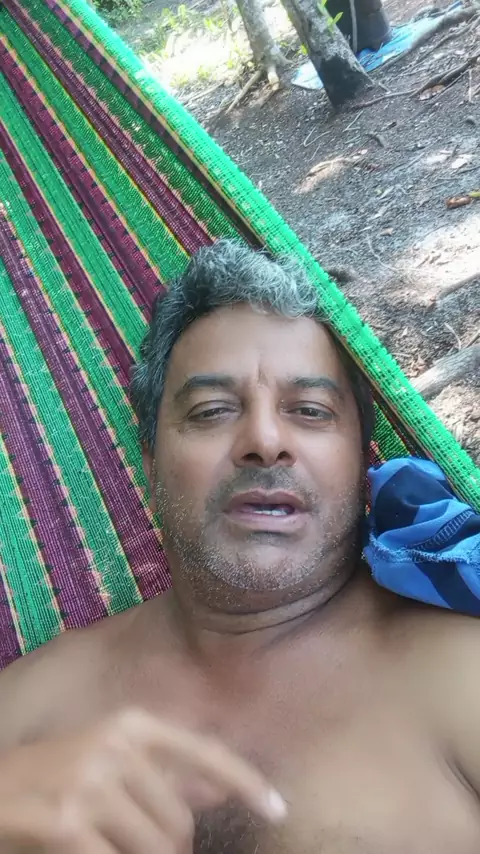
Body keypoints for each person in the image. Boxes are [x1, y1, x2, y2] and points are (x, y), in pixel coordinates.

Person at [0, 239, 479, 854]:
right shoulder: (27, 709)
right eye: (211, 411)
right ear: (151, 464)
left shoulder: (460, 676)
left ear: (362, 461)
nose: (264, 439)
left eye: (310, 410)